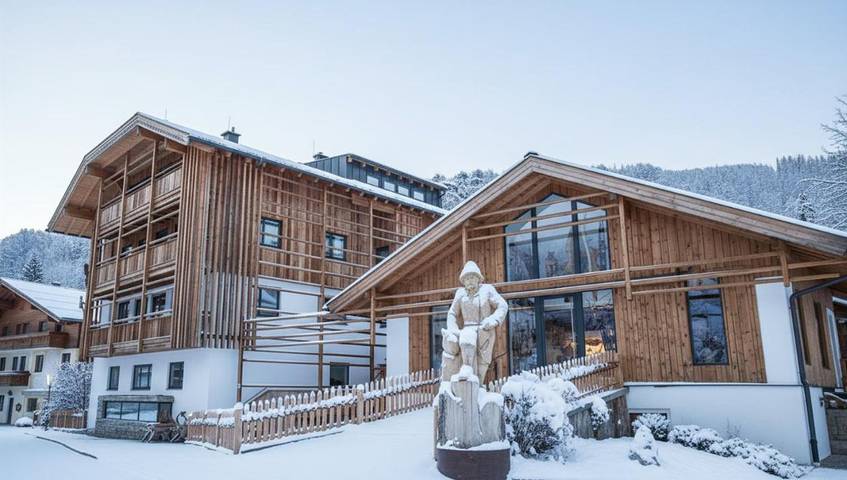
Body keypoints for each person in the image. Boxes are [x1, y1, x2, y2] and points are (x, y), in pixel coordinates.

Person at [441, 261, 508, 382]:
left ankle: (477, 385)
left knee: (482, 366)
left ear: (478, 278)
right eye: (466, 278)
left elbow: (502, 305)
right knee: (466, 342)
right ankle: (466, 371)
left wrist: (493, 320)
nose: (469, 281)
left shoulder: (487, 290)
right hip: (467, 331)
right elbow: (452, 313)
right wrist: (453, 329)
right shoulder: (460, 293)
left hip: (485, 331)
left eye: (472, 277)